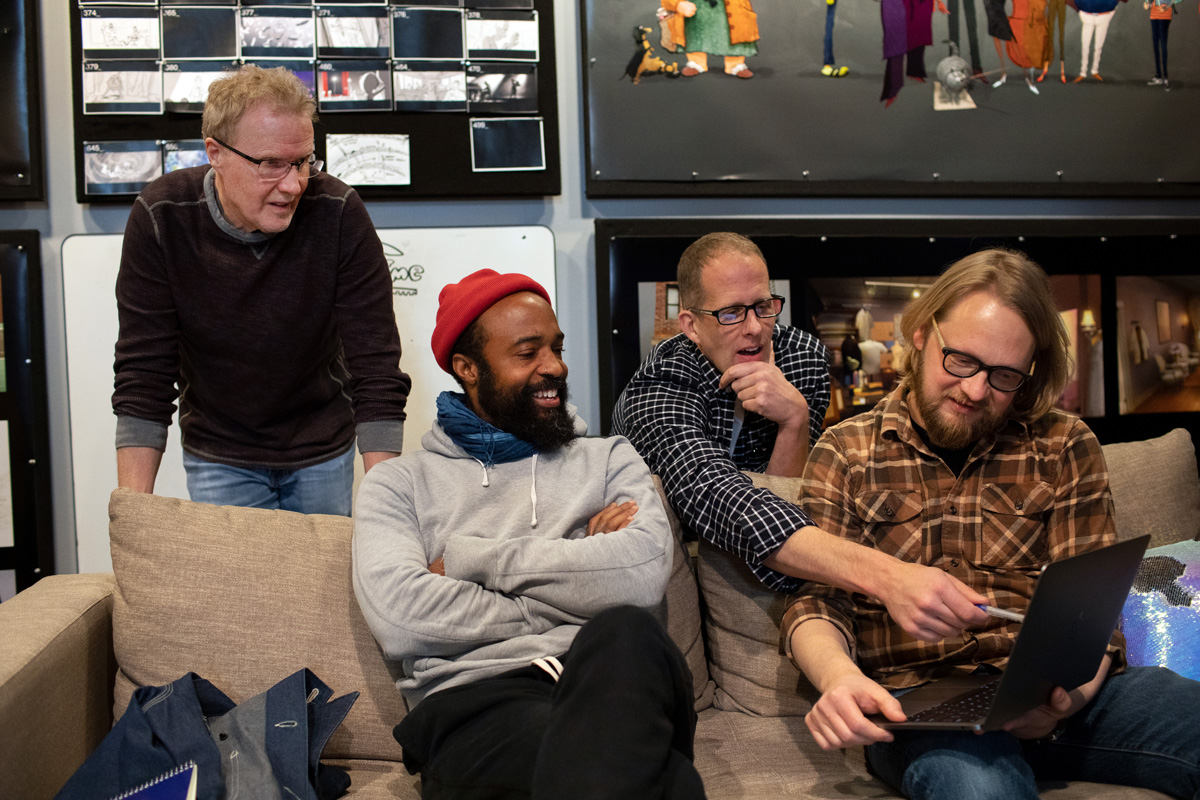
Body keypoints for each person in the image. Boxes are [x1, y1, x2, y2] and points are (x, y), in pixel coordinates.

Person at [784, 248, 1200, 800]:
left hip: (1058, 694)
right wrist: (838, 679)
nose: (976, 391)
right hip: (924, 704)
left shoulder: (1064, 445)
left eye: (1004, 376)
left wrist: (1061, 704)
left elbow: (1092, 616)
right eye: (959, 360)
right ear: (921, 334)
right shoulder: (846, 451)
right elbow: (815, 604)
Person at [352, 269, 704, 799]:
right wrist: (582, 578)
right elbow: (402, 616)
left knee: (628, 629)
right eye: (527, 352)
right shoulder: (399, 483)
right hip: (479, 702)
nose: (555, 367)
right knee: (659, 779)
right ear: (468, 369)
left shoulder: (610, 458)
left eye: (557, 347)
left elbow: (639, 576)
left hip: (612, 678)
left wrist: (473, 561)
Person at [613, 232, 989, 642]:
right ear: (691, 325)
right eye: (731, 314)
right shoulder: (662, 383)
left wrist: (795, 420)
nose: (756, 328)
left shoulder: (802, 356)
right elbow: (706, 487)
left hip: (768, 562)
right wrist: (885, 575)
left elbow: (789, 490)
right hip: (671, 569)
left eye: (762, 307)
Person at [112, 65, 410, 515]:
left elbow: (376, 367)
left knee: (321, 583)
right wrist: (132, 512)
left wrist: (387, 511)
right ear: (216, 152)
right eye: (271, 164)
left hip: (322, 446)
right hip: (219, 450)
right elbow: (144, 372)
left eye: (304, 161)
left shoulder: (338, 212)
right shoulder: (162, 215)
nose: (293, 185)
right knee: (238, 585)